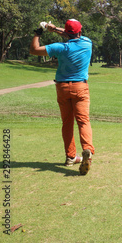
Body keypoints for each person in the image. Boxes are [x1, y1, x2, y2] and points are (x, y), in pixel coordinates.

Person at [30, 19, 94, 175]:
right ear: (80, 30)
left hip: (63, 87)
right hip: (80, 87)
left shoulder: (60, 47)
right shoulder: (87, 42)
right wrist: (55, 29)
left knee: (67, 122)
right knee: (83, 120)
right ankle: (87, 149)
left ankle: (71, 157)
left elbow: (34, 50)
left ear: (66, 32)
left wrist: (38, 33)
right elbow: (70, 34)